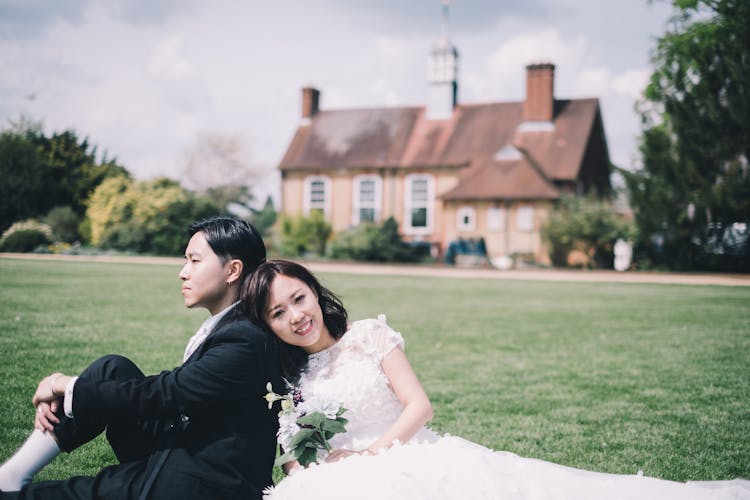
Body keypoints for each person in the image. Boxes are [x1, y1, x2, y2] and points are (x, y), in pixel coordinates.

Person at [242, 259, 750, 500]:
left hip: (402, 455)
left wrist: (369, 458)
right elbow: (292, 446)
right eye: (278, 313)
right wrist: (305, 464)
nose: (295, 316)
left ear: (315, 291)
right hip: (333, 479)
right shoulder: (293, 376)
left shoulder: (369, 336)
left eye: (299, 299)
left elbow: (419, 407)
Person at [0, 216, 282, 500]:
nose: (183, 273)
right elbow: (172, 389)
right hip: (186, 441)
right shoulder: (235, 323)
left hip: (201, 482)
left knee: (59, 494)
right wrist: (73, 392)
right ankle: (11, 475)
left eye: (194, 261)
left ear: (233, 270)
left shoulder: (245, 337)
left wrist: (63, 384)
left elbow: (166, 394)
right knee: (113, 368)